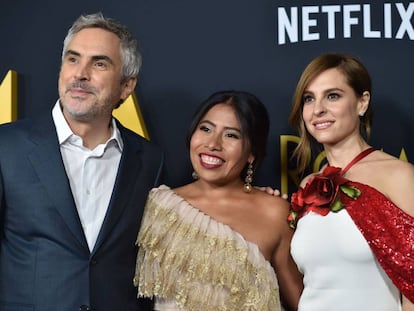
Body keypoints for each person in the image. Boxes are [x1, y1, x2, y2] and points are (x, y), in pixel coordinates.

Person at [0, 13, 163, 311]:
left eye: (99, 63)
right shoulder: (6, 147)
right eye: (73, 59)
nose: (80, 74)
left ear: (126, 86)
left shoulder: (149, 160)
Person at [134, 90, 303, 311]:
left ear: (252, 152)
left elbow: (302, 302)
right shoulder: (159, 207)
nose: (213, 143)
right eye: (205, 129)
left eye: (231, 135)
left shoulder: (275, 212)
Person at [287, 53, 414, 311]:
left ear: (361, 103)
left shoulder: (398, 175)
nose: (318, 108)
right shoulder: (308, 185)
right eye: (309, 98)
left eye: (332, 95)